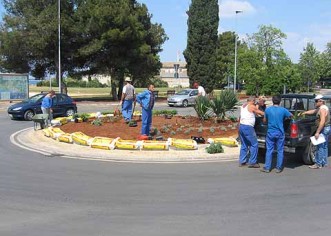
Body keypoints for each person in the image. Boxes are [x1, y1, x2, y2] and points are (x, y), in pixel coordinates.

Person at [261, 95, 292, 173]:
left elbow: (264, 121)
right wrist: (284, 118)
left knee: (269, 150)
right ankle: (278, 168)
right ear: (280, 101)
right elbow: (291, 116)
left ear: (272, 101)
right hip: (280, 132)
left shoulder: (268, 110)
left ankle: (267, 167)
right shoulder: (283, 110)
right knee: (280, 150)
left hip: (270, 132)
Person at [302, 94, 330, 169]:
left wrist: (317, 132)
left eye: (316, 101)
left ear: (321, 101)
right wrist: (305, 112)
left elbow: (322, 121)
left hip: (324, 128)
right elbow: (313, 111)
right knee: (324, 146)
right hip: (326, 128)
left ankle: (318, 164)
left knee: (320, 146)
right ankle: (324, 162)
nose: (315, 102)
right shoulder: (322, 107)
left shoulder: (322, 109)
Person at [238, 96, 265, 168]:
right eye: (254, 101)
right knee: (254, 144)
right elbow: (260, 113)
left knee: (244, 144)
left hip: (241, 126)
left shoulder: (243, 105)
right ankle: (252, 162)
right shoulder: (251, 106)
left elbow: (240, 116)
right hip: (248, 127)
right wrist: (267, 113)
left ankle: (242, 161)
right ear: (252, 101)